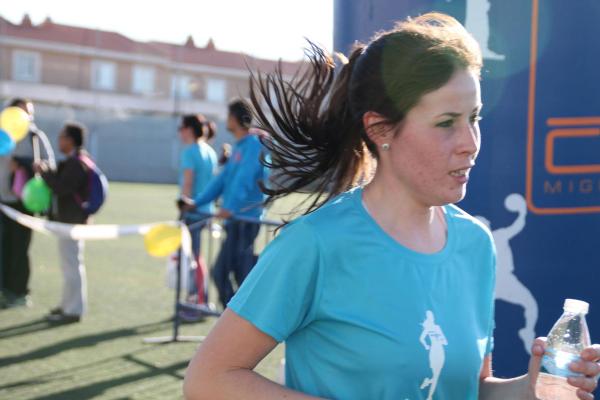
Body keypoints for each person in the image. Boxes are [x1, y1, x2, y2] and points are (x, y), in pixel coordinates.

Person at [183, 13, 599, 399]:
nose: (470, 143)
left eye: (474, 117)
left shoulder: (476, 242)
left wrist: (533, 386)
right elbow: (208, 378)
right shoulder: (317, 244)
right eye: (445, 122)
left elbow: (471, 389)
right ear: (380, 128)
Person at [181, 99, 269, 309]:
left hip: (245, 220)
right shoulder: (240, 146)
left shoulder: (253, 145)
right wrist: (196, 202)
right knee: (235, 273)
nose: (225, 120)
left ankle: (238, 320)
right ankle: (238, 320)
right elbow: (221, 180)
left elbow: (245, 179)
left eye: (228, 116)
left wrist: (230, 207)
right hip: (235, 220)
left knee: (226, 273)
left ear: (236, 119)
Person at [35, 122, 90, 324]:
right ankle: (67, 305)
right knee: (69, 265)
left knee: (72, 265)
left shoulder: (77, 162)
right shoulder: (73, 161)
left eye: (62, 137)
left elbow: (60, 188)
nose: (59, 140)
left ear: (71, 140)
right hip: (68, 221)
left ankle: (73, 310)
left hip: (72, 223)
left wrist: (46, 173)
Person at [177, 114, 217, 308]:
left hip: (193, 211)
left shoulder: (190, 152)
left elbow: (188, 182)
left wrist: (182, 206)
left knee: (192, 257)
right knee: (197, 256)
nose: (179, 132)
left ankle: (197, 299)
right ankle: (199, 297)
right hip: (206, 210)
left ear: (189, 129)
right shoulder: (210, 151)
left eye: (181, 127)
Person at [0, 98, 35, 308]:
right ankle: (4, 289)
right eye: (22, 112)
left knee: (20, 249)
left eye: (29, 113)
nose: (26, 117)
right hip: (1, 201)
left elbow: (46, 165)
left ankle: (19, 292)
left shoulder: (34, 137)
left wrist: (23, 166)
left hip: (22, 204)